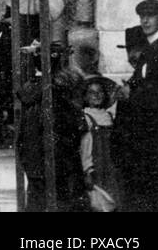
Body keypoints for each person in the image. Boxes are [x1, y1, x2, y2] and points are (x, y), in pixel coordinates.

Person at [113, 0, 158, 212]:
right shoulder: (153, 47)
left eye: (151, 15)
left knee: (151, 191)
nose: (145, 20)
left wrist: (130, 93)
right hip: (148, 135)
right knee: (149, 190)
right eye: (142, 16)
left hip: (153, 134)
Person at [18, 68, 88, 212]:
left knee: (36, 202)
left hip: (34, 161)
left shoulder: (33, 97)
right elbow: (74, 132)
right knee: (62, 202)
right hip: (59, 163)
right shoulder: (62, 104)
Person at [81, 75, 118, 211]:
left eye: (100, 92)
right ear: (85, 97)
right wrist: (87, 170)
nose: (96, 95)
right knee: (98, 203)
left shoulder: (108, 116)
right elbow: (85, 146)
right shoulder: (86, 116)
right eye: (92, 92)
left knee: (113, 201)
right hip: (96, 168)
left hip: (110, 166)